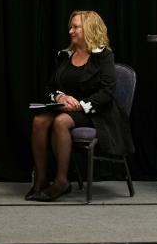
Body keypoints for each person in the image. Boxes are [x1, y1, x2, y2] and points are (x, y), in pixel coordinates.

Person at [26, 10, 134, 202]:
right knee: (39, 121)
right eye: (71, 26)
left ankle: (61, 182)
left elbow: (107, 92)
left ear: (90, 29)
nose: (71, 31)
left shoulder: (104, 55)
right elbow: (50, 86)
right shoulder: (65, 55)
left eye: (76, 27)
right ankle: (41, 180)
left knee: (61, 122)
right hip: (66, 107)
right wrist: (61, 97)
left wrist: (80, 106)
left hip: (97, 113)